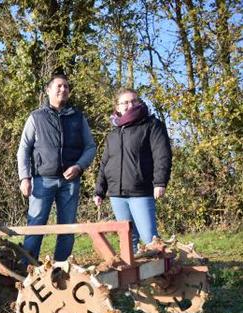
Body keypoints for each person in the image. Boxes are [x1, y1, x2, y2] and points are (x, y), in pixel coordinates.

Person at [17, 74, 97, 262]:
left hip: (70, 182)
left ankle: (61, 270)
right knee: (35, 225)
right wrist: (24, 177)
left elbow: (90, 147)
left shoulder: (77, 117)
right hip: (41, 181)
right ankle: (27, 269)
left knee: (67, 228)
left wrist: (79, 166)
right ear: (48, 90)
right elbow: (24, 149)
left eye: (66, 87)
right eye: (59, 86)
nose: (63, 89)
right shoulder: (36, 117)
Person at [93, 88, 171, 251]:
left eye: (134, 101)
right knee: (128, 240)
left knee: (150, 238)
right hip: (116, 195)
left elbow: (162, 154)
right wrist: (99, 191)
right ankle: (135, 275)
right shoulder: (113, 133)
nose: (130, 105)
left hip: (140, 191)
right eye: (125, 102)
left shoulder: (151, 125)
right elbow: (105, 163)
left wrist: (160, 182)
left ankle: (163, 273)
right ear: (118, 107)